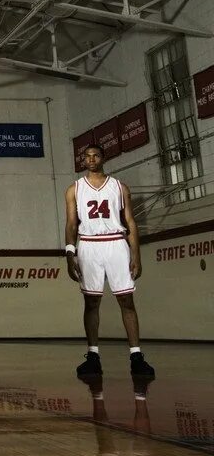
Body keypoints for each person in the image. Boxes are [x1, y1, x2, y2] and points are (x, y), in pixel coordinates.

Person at [65, 144, 155, 378]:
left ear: (103, 158)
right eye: (87, 156)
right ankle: (93, 356)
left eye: (96, 155)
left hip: (116, 243)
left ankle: (136, 356)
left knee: (126, 300)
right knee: (91, 302)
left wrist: (136, 254)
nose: (91, 159)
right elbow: (72, 224)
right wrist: (69, 253)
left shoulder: (119, 187)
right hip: (89, 245)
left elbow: (131, 222)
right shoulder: (74, 189)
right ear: (83, 161)